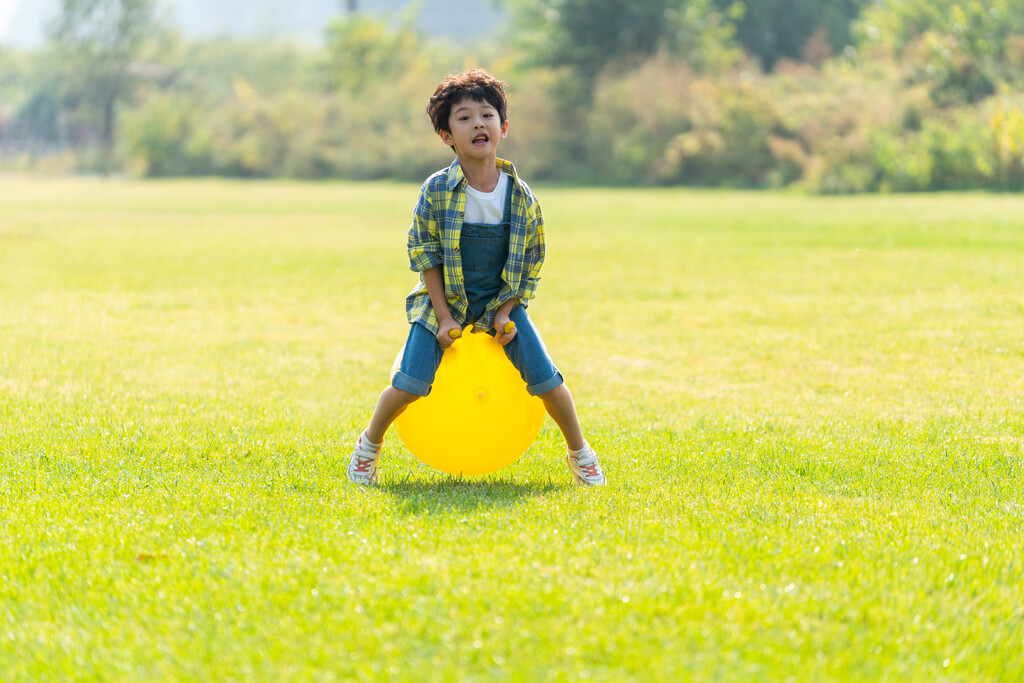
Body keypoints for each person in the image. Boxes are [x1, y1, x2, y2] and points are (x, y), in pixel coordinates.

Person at [347, 69, 606, 487]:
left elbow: (529, 262)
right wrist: (445, 316)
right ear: (447, 135)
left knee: (546, 379)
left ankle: (580, 453)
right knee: (411, 382)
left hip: (498, 301)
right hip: (442, 302)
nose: (477, 124)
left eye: (486, 115)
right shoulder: (435, 190)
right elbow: (425, 252)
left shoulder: (521, 197)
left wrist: (506, 312)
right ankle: (368, 446)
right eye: (463, 118)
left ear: (503, 127)